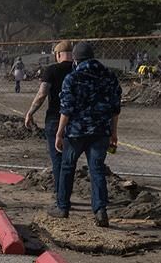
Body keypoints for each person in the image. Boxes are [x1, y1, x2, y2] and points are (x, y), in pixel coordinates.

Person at [51, 42, 122, 226]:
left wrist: (59, 133)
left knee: (67, 167)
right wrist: (114, 132)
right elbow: (115, 108)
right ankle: (100, 210)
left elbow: (66, 109)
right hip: (101, 131)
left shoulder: (73, 78)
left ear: (75, 59)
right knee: (97, 169)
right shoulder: (109, 77)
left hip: (76, 131)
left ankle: (62, 207)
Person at [24, 41, 75, 194]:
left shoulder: (51, 70)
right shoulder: (78, 70)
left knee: (58, 159)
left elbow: (42, 94)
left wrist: (30, 112)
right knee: (70, 160)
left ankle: (61, 196)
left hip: (55, 118)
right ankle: (66, 194)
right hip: (76, 120)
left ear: (57, 55)